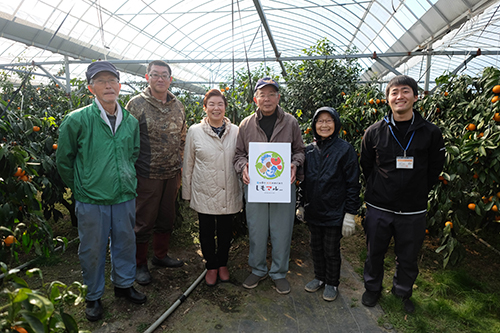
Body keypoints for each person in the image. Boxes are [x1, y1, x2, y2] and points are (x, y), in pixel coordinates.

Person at [56, 61, 146, 322]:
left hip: (124, 195)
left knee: (125, 242)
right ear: (90, 88)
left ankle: (124, 284)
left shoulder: (129, 121)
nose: (108, 86)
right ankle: (93, 295)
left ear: (119, 85)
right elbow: (65, 159)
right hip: (91, 198)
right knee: (92, 248)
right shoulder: (77, 120)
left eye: (112, 81)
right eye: (101, 81)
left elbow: (134, 153)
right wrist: (81, 186)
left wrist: (126, 179)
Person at [360, 75, 445, 313]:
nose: (399, 96)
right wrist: (378, 188)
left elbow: (435, 168)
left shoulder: (430, 133)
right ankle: (372, 288)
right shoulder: (374, 132)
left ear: (415, 97)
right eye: (394, 92)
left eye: (405, 91)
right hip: (380, 206)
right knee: (374, 251)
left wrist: (417, 189)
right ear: (387, 100)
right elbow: (366, 164)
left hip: (413, 208)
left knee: (408, 255)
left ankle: (402, 291)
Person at [233, 77, 305, 295]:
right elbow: (238, 154)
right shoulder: (246, 124)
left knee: (282, 229)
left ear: (278, 97)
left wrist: (293, 164)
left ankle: (279, 272)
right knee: (256, 228)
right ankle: (258, 268)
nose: (267, 99)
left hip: (283, 185)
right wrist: (244, 166)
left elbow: (300, 150)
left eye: (271, 94)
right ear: (255, 98)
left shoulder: (290, 122)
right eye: (262, 95)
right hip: (256, 185)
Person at [126, 60, 187, 285]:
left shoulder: (178, 105)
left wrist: (179, 161)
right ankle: (139, 263)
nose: (159, 78)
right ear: (147, 77)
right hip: (146, 173)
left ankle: (160, 256)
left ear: (170, 79)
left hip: (171, 173)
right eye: (155, 74)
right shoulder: (136, 104)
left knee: (166, 217)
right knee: (143, 220)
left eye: (164, 75)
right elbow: (127, 139)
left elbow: (183, 135)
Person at [299, 107, 361, 301]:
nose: (324, 125)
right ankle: (319, 277)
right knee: (315, 247)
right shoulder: (309, 150)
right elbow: (304, 181)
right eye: (320, 121)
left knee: (331, 249)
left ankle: (332, 282)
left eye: (328, 121)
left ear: (336, 124)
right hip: (314, 210)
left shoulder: (345, 150)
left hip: (335, 211)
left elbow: (353, 183)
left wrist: (350, 213)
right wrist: (301, 204)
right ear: (314, 125)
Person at [182, 89, 242, 286]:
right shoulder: (195, 131)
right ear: (205, 107)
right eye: (212, 104)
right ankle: (211, 265)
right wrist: (187, 192)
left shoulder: (236, 131)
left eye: (220, 104)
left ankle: (223, 263)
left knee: (226, 230)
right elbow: (188, 163)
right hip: (204, 189)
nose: (216, 108)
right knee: (206, 231)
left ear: (225, 107)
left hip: (229, 187)